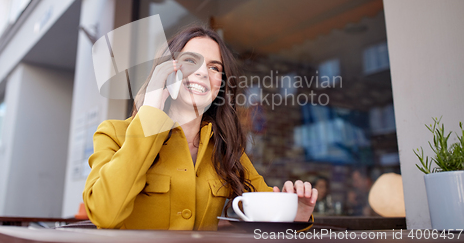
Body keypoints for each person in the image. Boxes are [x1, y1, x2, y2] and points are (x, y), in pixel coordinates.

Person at [82, 24, 318, 230]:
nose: (203, 72)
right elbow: (105, 214)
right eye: (190, 61)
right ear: (166, 70)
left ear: (221, 86)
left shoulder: (227, 148)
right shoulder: (113, 134)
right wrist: (151, 112)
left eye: (215, 68)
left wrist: (295, 217)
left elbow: (267, 213)